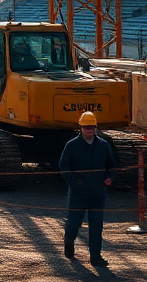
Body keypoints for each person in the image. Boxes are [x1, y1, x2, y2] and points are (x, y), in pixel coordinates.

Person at [59, 111, 117, 266]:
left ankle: (95, 258)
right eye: (86, 127)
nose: (89, 130)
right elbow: (63, 165)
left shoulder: (103, 146)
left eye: (92, 127)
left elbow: (112, 166)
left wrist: (109, 177)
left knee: (96, 226)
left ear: (96, 128)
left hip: (98, 193)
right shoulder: (72, 145)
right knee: (74, 223)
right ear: (81, 128)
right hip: (79, 193)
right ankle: (69, 241)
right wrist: (73, 182)